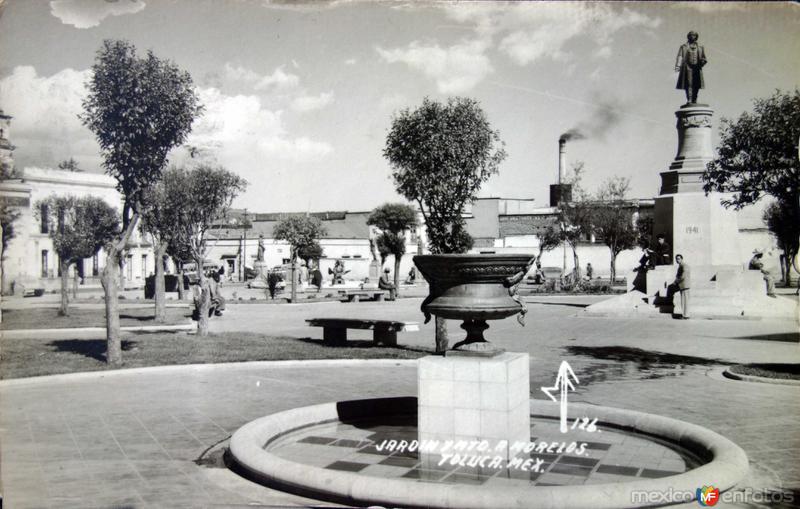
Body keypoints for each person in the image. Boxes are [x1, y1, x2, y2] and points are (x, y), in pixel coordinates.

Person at [675, 31, 707, 104]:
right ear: (688, 37)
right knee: (688, 84)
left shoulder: (700, 47)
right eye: (691, 35)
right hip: (687, 67)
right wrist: (678, 66)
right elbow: (680, 56)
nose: (692, 36)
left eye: (694, 35)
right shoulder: (683, 47)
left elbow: (704, 58)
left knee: (696, 84)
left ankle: (695, 99)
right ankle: (689, 99)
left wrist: (702, 62)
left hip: (697, 68)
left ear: (696, 37)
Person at [674, 254, 691, 319]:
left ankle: (686, 315)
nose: (677, 260)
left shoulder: (684, 266)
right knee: (684, 301)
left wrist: (676, 282)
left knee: (685, 301)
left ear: (682, 259)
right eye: (676, 259)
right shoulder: (681, 266)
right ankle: (685, 315)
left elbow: (683, 276)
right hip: (683, 286)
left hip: (685, 286)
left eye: (678, 258)